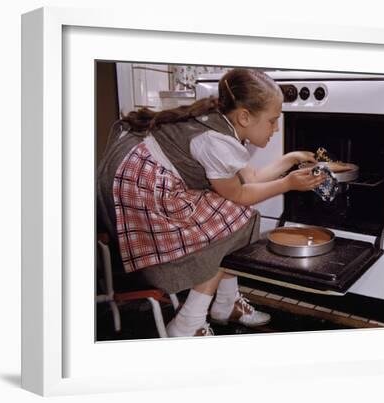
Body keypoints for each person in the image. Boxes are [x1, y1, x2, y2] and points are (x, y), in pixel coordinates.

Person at [97, 68, 327, 337]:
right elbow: (240, 196)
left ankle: (226, 305)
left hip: (134, 182)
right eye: (272, 121)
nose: (276, 129)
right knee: (237, 217)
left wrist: (290, 159)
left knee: (231, 217)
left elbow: (248, 179)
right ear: (245, 116)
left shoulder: (222, 123)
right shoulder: (216, 140)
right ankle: (188, 324)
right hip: (139, 194)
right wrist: (288, 184)